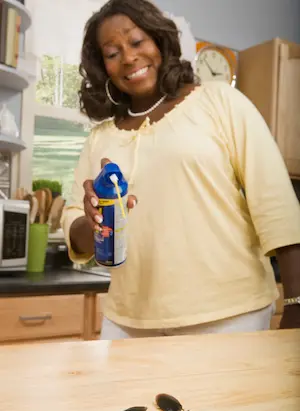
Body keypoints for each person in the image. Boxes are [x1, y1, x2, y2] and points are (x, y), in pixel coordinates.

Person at [62, 0, 300, 339]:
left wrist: (296, 303)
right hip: (127, 321)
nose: (128, 58)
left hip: (229, 316)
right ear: (104, 68)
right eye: (112, 53)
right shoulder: (100, 139)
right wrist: (92, 221)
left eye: (136, 41)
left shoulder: (220, 101)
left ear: (159, 41)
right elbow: (75, 223)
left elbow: (276, 202)